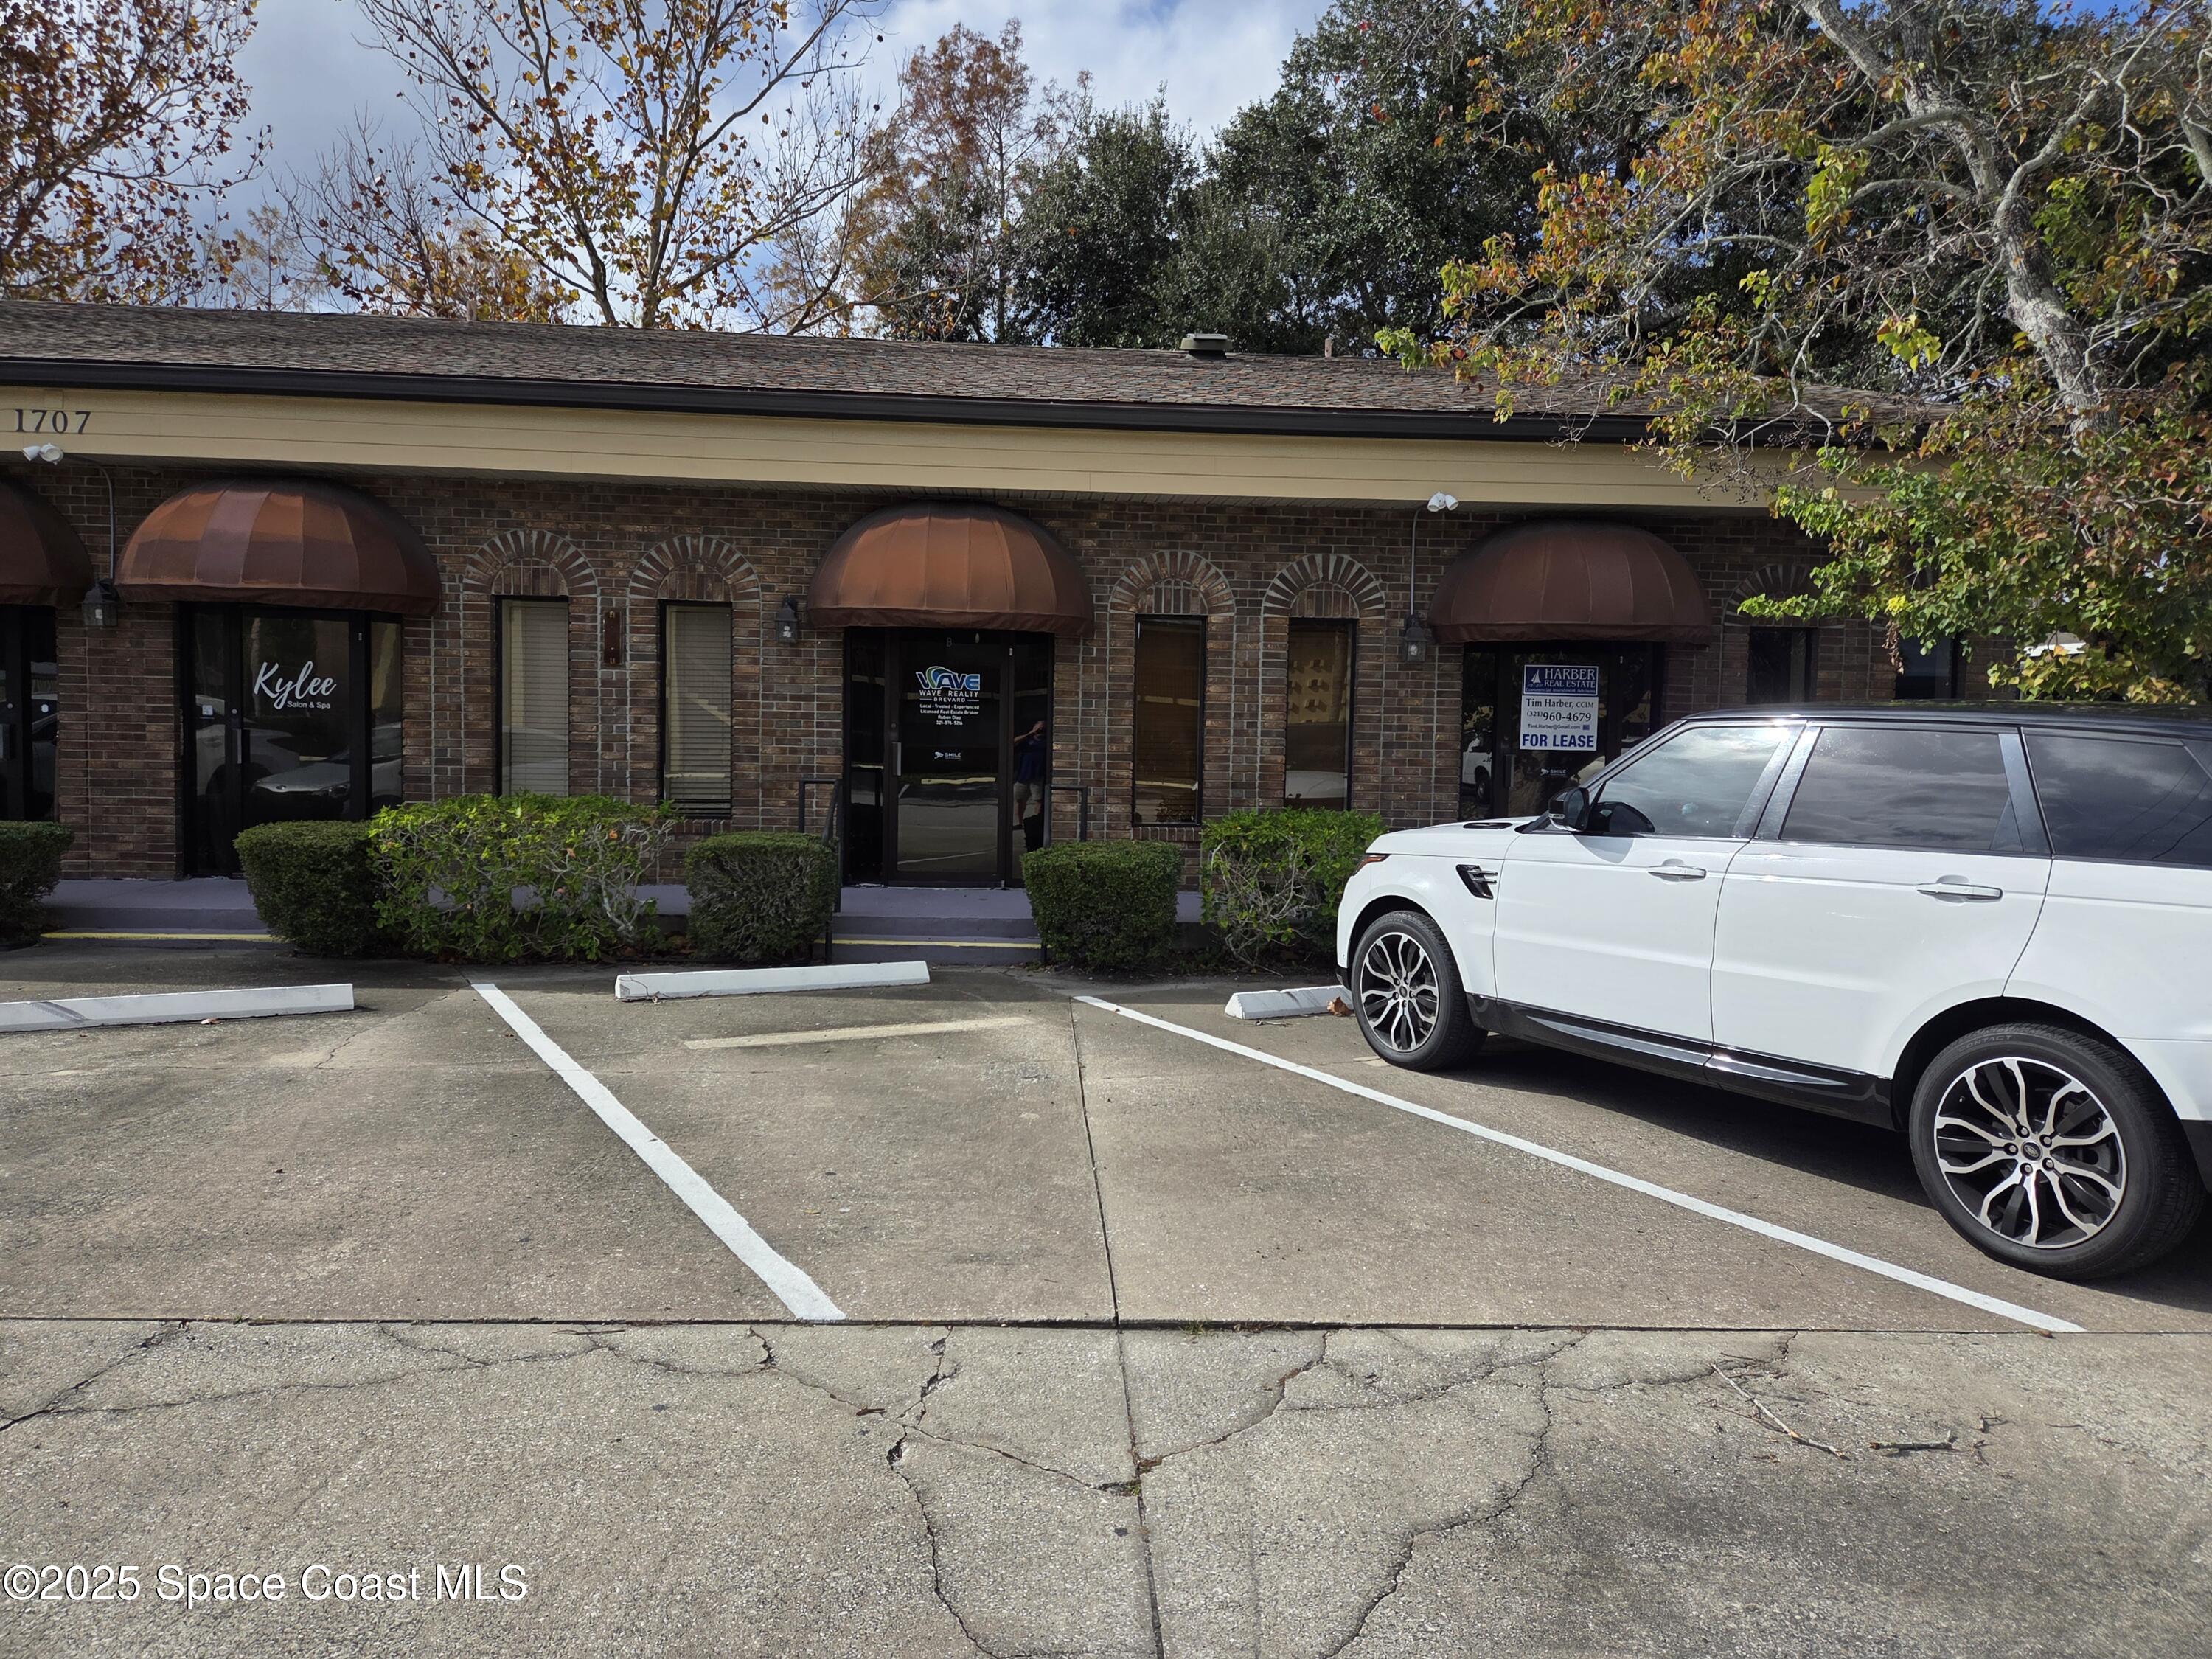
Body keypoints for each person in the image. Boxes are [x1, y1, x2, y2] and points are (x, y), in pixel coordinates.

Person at [1012, 719, 1048, 852]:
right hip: (1023, 776)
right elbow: (1013, 743)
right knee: (1020, 800)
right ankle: (1019, 823)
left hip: (1038, 776)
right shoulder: (1027, 741)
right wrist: (1030, 733)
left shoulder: (1047, 742)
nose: (1040, 729)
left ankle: (1037, 822)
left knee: (1038, 800)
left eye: (1042, 727)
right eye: (1038, 727)